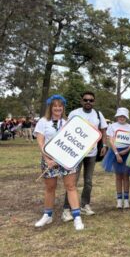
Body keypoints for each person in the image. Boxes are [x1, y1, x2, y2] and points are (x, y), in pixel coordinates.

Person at [34, 95, 84, 230]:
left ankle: (77, 217)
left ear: (63, 108)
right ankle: (47, 215)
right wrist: (47, 159)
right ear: (50, 107)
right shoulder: (43, 122)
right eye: (55, 106)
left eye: (60, 106)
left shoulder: (68, 122)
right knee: (50, 187)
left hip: (67, 160)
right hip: (48, 159)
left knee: (71, 186)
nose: (57, 108)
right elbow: (40, 142)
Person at [62, 91, 107, 221]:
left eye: (91, 100)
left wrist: (103, 145)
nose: (88, 102)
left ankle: (84, 204)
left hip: (91, 153)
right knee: (72, 182)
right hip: (76, 153)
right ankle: (67, 208)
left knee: (88, 182)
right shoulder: (74, 114)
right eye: (86, 100)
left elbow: (103, 131)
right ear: (81, 101)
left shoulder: (98, 114)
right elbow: (66, 131)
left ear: (94, 102)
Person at [102, 108, 130, 209]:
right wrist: (117, 153)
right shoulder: (112, 126)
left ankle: (127, 200)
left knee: (126, 176)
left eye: (124, 116)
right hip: (115, 152)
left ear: (126, 117)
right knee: (118, 176)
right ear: (117, 116)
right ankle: (119, 200)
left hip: (127, 153)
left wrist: (127, 150)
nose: (122, 118)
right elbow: (111, 140)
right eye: (120, 116)